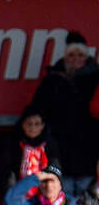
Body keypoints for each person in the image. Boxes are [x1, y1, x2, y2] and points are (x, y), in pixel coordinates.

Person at [25, 30, 99, 182]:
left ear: (86, 57)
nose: (76, 59)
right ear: (65, 56)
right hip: (59, 149)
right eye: (71, 55)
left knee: (88, 200)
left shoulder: (96, 79)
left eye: (80, 55)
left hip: (90, 148)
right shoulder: (52, 79)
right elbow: (37, 111)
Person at [0, 108, 61, 197]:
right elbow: (5, 170)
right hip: (18, 192)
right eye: (29, 124)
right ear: (23, 124)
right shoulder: (13, 143)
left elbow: (55, 166)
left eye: (37, 124)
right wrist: (12, 193)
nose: (33, 128)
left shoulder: (50, 144)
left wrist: (48, 186)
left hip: (44, 191)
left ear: (42, 126)